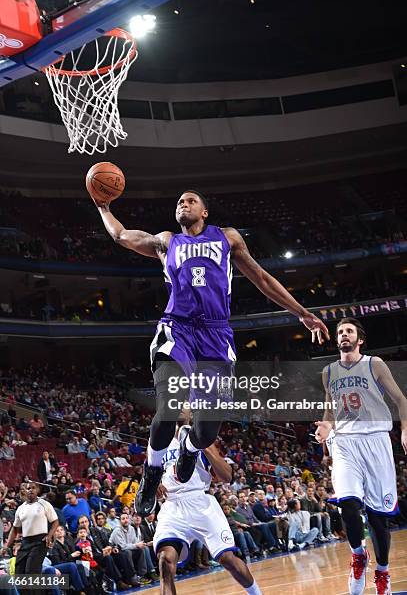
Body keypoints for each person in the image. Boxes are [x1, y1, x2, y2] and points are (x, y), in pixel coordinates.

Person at [93, 190, 329, 516]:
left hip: (216, 337)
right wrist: (103, 207)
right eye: (178, 202)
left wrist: (301, 312)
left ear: (205, 211)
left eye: (190, 201)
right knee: (168, 406)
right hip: (177, 329)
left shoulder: (227, 238)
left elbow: (261, 278)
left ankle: (190, 447)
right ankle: (152, 470)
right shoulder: (166, 242)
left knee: (206, 433)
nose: (183, 204)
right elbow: (120, 235)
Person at [315, 317, 407, 595]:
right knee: (348, 502)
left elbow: (401, 400)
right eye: (340, 331)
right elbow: (330, 411)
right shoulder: (328, 371)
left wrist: (405, 428)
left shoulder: (374, 364)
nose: (343, 335)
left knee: (379, 518)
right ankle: (358, 554)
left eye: (349, 331)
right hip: (344, 442)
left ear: (360, 338)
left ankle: (382, 572)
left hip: (376, 441)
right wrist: (324, 430)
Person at [152, 422, 263, 595]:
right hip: (172, 505)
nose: (179, 406)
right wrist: (155, 484)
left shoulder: (200, 437)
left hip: (200, 502)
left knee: (227, 559)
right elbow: (150, 473)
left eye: (184, 403)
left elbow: (227, 476)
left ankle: (256, 593)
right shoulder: (158, 440)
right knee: (165, 562)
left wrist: (205, 448)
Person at [0, 482, 59, 595]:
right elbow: (15, 529)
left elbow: (55, 521)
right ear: (25, 491)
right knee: (19, 573)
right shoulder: (21, 508)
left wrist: (50, 534)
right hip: (26, 542)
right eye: (28, 488)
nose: (30, 490)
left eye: (33, 488)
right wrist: (6, 546)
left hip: (40, 541)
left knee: (31, 572)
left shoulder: (44, 504)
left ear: (37, 490)